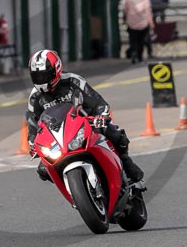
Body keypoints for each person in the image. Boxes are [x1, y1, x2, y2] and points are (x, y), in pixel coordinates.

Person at [26, 49, 145, 187]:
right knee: (43, 170)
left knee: (114, 134)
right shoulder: (34, 97)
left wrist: (101, 117)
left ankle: (128, 168)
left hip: (86, 125)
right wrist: (32, 143)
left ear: (56, 70)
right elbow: (33, 124)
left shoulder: (73, 81)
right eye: (37, 76)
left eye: (44, 75)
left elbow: (98, 103)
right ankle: (72, 187)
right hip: (59, 139)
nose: (41, 80)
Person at [123, 0, 154, 64]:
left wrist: (124, 20)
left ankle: (133, 52)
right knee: (141, 41)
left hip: (131, 22)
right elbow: (148, 12)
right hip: (142, 24)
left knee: (132, 40)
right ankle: (140, 56)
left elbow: (125, 10)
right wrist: (151, 23)